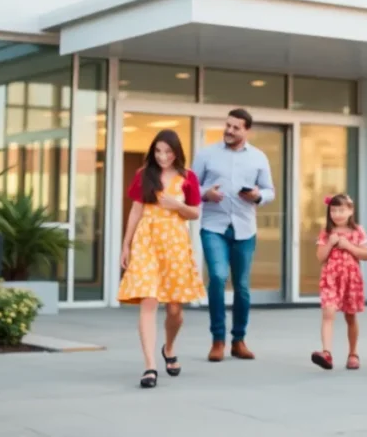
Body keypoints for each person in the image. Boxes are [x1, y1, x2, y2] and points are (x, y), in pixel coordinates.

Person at [118, 129, 205, 389]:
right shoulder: (144, 175)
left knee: (175, 310)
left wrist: (176, 205)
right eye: (158, 151)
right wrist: (126, 245)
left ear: (176, 152)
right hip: (147, 241)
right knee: (148, 299)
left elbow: (194, 213)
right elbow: (136, 211)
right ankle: (150, 366)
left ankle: (169, 347)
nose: (162, 156)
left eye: (167, 151)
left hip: (175, 244)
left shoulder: (188, 177)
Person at [194, 107, 276, 362]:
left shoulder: (259, 158)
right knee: (217, 277)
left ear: (246, 131)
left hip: (244, 228)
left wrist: (257, 196)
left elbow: (269, 190)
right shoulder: (207, 154)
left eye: (235, 127)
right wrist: (205, 193)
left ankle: (238, 340)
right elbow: (189, 187)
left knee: (241, 286)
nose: (229, 130)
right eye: (228, 125)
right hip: (213, 226)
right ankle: (217, 340)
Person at [311, 193, 367, 371]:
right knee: (328, 313)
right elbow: (320, 257)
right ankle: (326, 353)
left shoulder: (358, 231)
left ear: (350, 211)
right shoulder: (326, 233)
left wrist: (348, 246)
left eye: (341, 210)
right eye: (334, 210)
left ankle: (353, 353)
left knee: (350, 316)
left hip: (351, 278)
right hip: (331, 278)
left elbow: (366, 255)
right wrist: (330, 243)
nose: (337, 214)